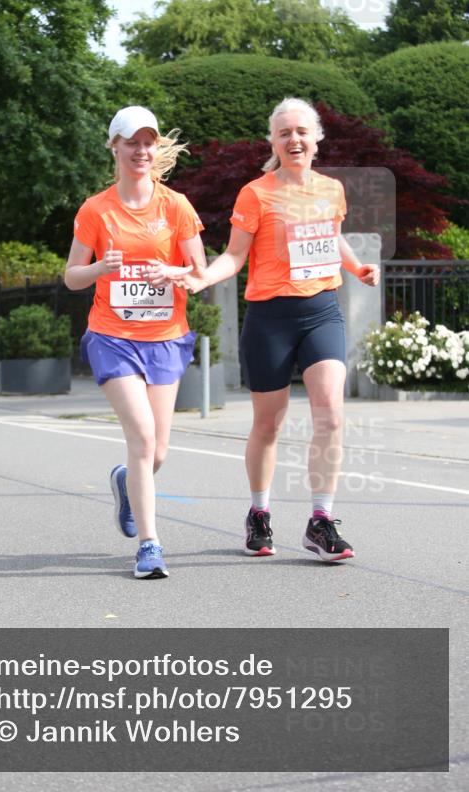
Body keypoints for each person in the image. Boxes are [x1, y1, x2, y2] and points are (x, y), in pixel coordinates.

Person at [176, 97, 379, 561]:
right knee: (268, 425)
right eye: (285, 133)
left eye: (302, 131)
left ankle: (321, 520)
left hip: (321, 311)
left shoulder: (331, 190)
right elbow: (234, 256)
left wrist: (356, 267)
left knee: (330, 412)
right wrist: (203, 275)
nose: (294, 139)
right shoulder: (256, 193)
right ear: (273, 141)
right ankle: (259, 513)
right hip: (269, 318)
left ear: (317, 139)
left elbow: (331, 236)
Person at [65, 106, 206, 579]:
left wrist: (175, 272)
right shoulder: (96, 209)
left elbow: (201, 274)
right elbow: (71, 277)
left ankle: (126, 483)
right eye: (131, 142)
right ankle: (150, 545)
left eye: (148, 142)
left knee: (156, 452)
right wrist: (100, 269)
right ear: (115, 147)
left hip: (166, 338)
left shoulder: (176, 206)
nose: (141, 150)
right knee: (143, 438)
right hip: (113, 335)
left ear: (156, 147)